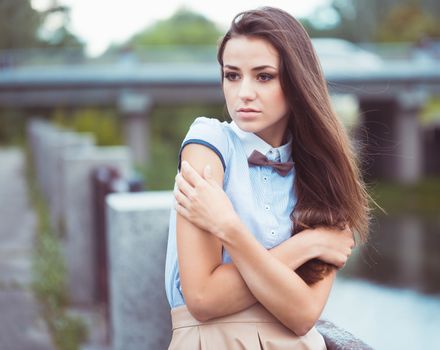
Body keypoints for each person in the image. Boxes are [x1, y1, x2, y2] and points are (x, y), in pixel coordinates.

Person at [164, 6, 370, 349]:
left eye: (263, 76)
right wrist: (307, 244)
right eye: (232, 75)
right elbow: (202, 298)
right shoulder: (209, 143)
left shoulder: (325, 178)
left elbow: (303, 313)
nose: (243, 92)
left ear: (296, 81)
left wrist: (228, 228)